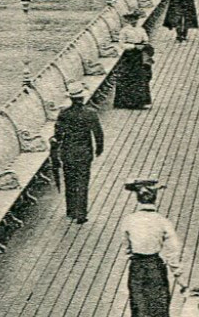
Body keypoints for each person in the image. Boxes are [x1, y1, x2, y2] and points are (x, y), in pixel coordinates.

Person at [121, 179, 184, 317]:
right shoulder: (163, 222)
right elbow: (173, 251)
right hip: (156, 267)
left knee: (140, 309)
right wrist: (180, 279)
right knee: (158, 308)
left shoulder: (129, 220)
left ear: (138, 199)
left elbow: (127, 247)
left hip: (137, 268)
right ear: (154, 199)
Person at [51, 82, 104, 224]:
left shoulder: (64, 114)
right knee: (82, 181)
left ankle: (71, 210)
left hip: (67, 152)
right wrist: (99, 148)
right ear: (82, 98)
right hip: (84, 152)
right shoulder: (90, 113)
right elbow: (98, 133)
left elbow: (58, 133)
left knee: (69, 180)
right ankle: (81, 213)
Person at [114, 14, 154, 110]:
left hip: (140, 56)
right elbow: (121, 44)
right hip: (129, 56)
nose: (134, 21)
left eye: (135, 19)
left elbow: (146, 40)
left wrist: (143, 45)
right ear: (128, 20)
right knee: (128, 77)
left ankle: (140, 102)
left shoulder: (141, 29)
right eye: (131, 20)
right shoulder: (124, 31)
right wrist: (134, 46)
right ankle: (127, 102)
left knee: (141, 77)